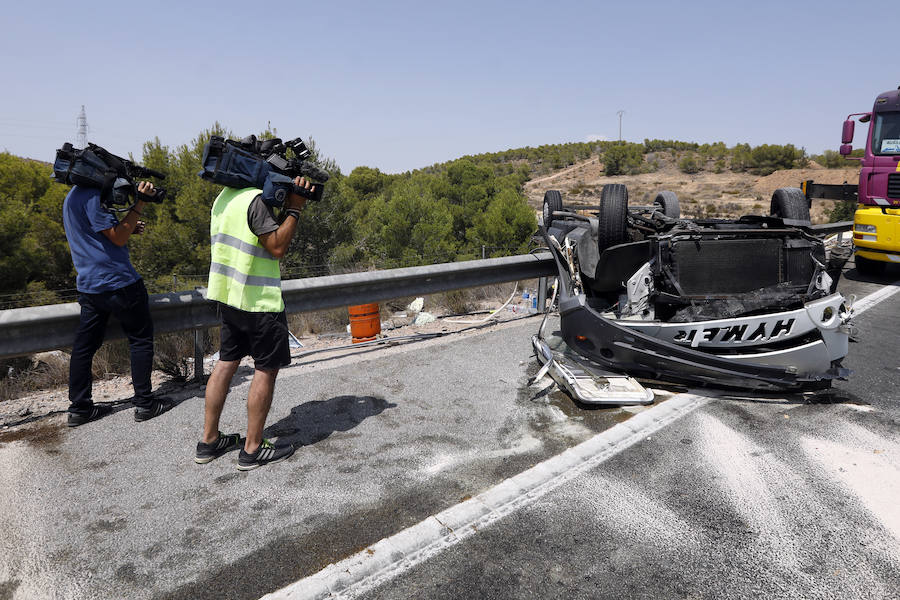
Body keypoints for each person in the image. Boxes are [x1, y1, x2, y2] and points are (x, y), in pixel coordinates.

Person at [195, 176, 312, 470]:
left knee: (226, 362)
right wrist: (294, 209)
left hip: (230, 297)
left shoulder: (224, 197)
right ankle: (253, 448)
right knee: (265, 370)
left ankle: (208, 441)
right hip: (259, 301)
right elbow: (276, 246)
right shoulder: (255, 200)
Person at [62, 181, 174, 427]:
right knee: (140, 339)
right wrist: (140, 202)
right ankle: (145, 404)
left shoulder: (72, 196)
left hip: (89, 285)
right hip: (119, 282)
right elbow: (118, 238)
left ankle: (80, 409)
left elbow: (96, 233)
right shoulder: (94, 195)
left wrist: (128, 227)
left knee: (84, 346)